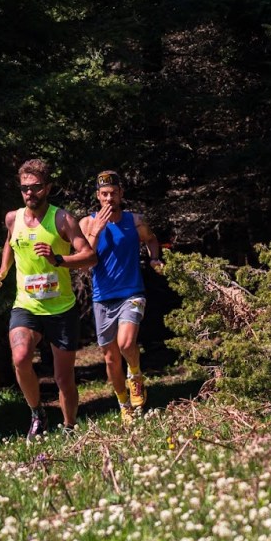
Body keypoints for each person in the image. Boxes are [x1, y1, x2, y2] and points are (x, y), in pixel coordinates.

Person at [0, 159, 97, 440]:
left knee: (64, 379)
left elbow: (90, 256)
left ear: (47, 188)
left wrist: (58, 259)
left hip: (61, 308)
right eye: (24, 188)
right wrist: (2, 271)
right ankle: (37, 413)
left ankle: (70, 427)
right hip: (27, 305)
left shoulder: (62, 219)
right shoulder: (13, 219)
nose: (30, 193)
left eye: (36, 187)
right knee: (20, 357)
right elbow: (10, 242)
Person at [79, 170, 163, 425]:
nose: (109, 199)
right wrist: (97, 230)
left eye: (113, 193)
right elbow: (84, 260)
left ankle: (135, 376)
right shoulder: (87, 223)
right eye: (104, 194)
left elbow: (151, 239)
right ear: (98, 196)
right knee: (111, 359)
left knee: (126, 344)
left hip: (131, 293)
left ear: (121, 194)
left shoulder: (135, 221)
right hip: (103, 298)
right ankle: (124, 404)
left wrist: (154, 258)